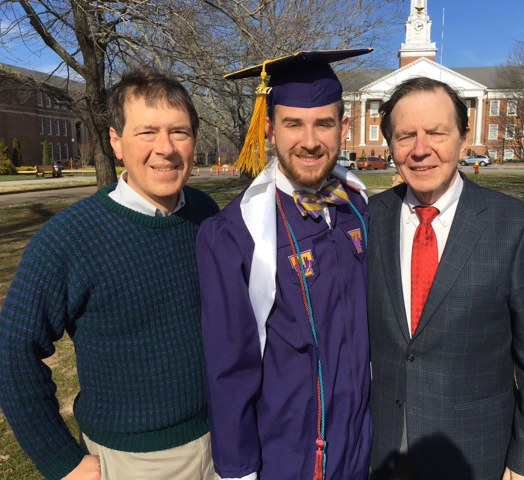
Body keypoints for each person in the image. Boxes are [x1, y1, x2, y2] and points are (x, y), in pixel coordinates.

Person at [0, 66, 219, 480]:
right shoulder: (71, 236)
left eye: (179, 132)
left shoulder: (206, 214)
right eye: (146, 132)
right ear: (116, 142)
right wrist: (63, 462)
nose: (165, 148)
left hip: (222, 439)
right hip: (135, 461)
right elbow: (10, 354)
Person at [367, 77, 524, 480]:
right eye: (405, 136)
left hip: (473, 451)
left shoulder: (515, 226)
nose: (420, 150)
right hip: (382, 447)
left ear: (463, 136)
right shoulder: (367, 219)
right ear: (390, 144)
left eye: (436, 133)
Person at [196, 49, 373, 480]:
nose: (309, 140)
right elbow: (229, 368)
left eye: (323, 123)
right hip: (290, 457)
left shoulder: (358, 208)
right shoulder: (236, 233)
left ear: (343, 128)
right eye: (293, 123)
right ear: (270, 130)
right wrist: (238, 471)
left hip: (362, 445)